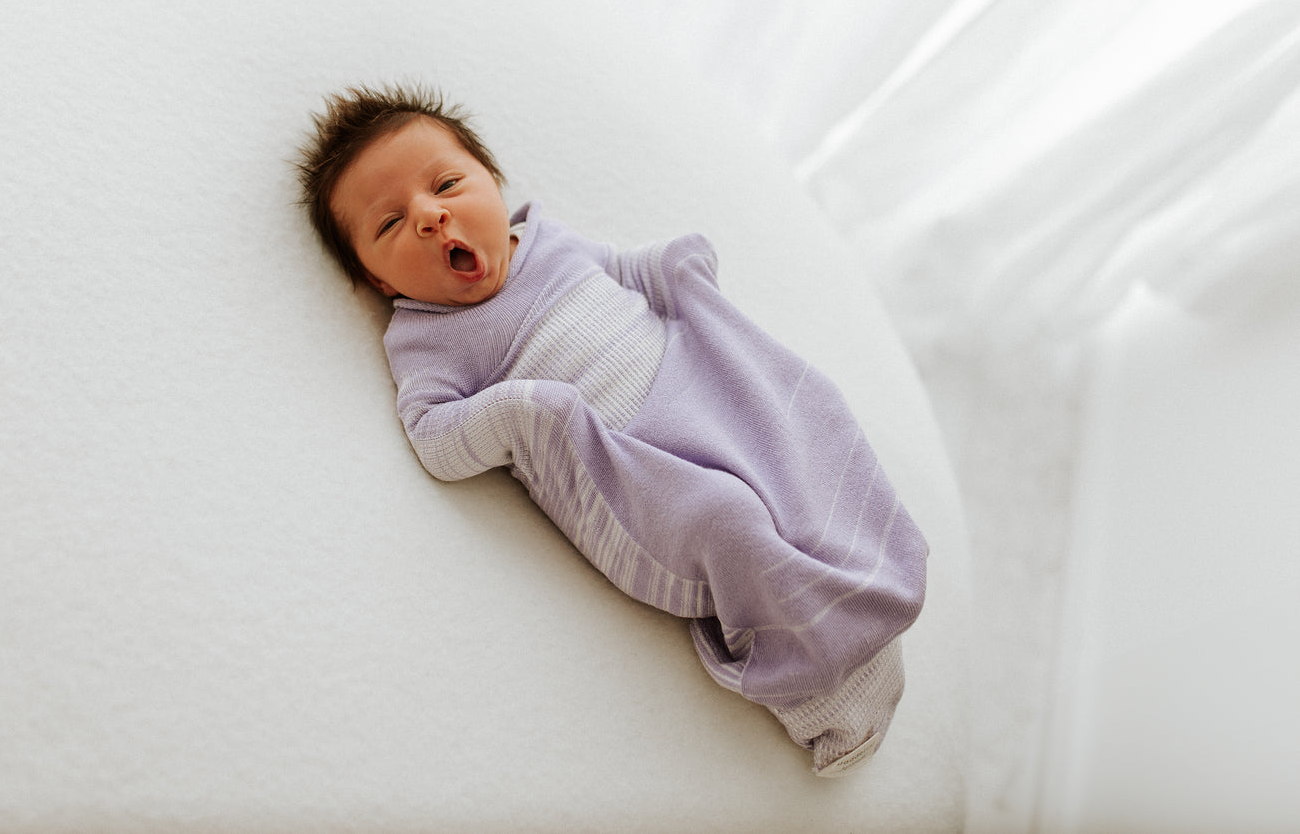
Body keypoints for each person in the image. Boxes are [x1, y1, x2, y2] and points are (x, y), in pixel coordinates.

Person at [296, 83, 929, 776]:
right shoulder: (426, 338)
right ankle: (817, 686)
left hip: (690, 377)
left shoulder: (542, 237)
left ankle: (853, 572)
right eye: (389, 225)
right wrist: (517, 408)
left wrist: (666, 266)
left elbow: (612, 273)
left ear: (493, 181)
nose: (429, 215)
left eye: (447, 182)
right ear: (378, 282)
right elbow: (433, 437)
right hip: (622, 464)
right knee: (726, 520)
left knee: (795, 413)